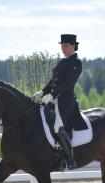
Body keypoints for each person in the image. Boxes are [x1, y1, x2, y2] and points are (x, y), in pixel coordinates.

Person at [33, 34, 84, 170]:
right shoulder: (62, 62)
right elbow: (53, 82)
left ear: (73, 46)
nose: (63, 48)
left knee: (57, 127)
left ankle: (70, 158)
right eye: (62, 46)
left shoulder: (76, 63)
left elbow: (68, 84)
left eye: (66, 46)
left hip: (65, 101)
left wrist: (52, 95)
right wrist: (43, 92)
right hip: (53, 99)